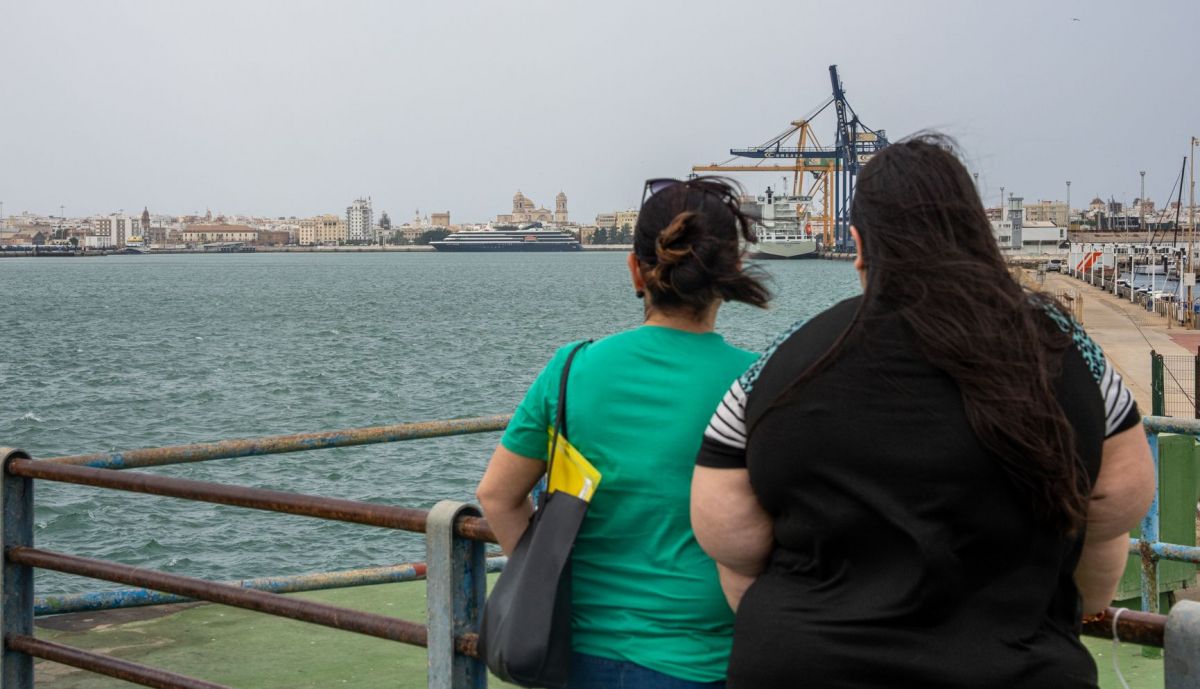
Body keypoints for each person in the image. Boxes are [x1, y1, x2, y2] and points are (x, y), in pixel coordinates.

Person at [691, 135, 1156, 689]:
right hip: (1018, 667)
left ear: (859, 246)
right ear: (975, 234)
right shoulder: (1069, 351)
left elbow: (729, 536)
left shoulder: (783, 359)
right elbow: (1115, 507)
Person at [477, 177, 769, 689]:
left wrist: (551, 587)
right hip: (706, 660)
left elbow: (497, 496)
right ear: (732, 271)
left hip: (578, 657)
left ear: (635, 269)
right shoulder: (758, 382)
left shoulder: (571, 368)